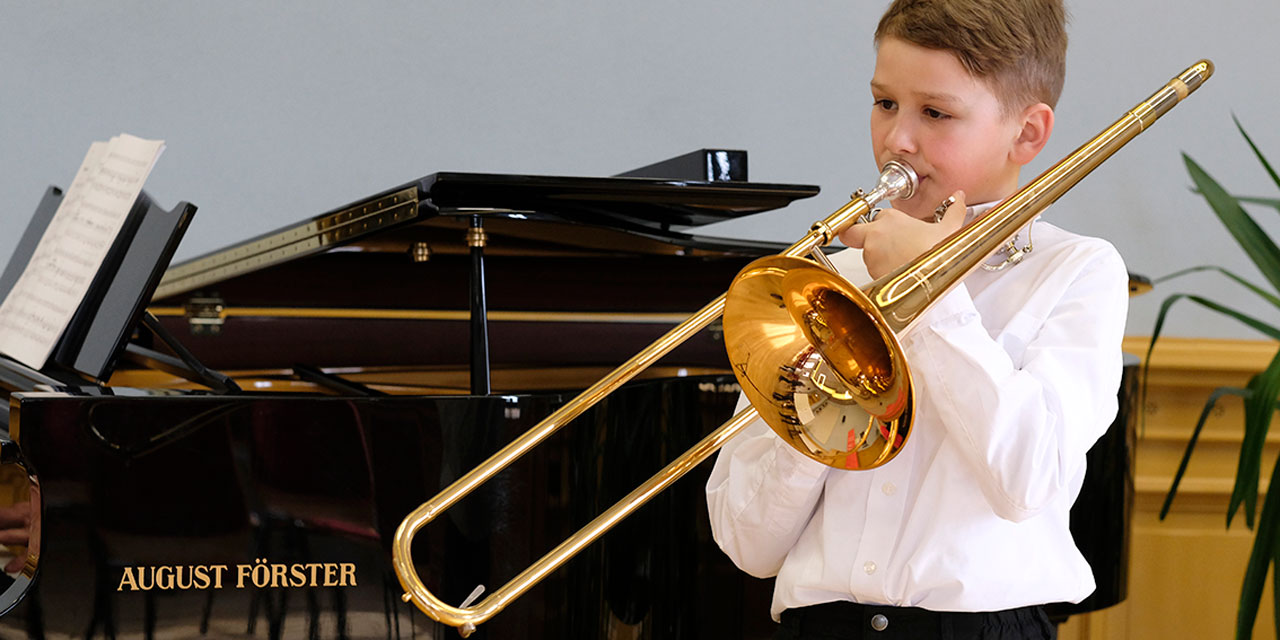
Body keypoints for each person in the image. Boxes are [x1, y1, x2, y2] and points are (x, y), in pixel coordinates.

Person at [704, 1, 1129, 638]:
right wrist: (819, 404)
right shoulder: (829, 281)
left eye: (935, 112)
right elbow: (748, 544)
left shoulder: (1078, 270)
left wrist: (934, 297)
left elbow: (1026, 482)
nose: (898, 139)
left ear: (1027, 134)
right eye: (884, 103)